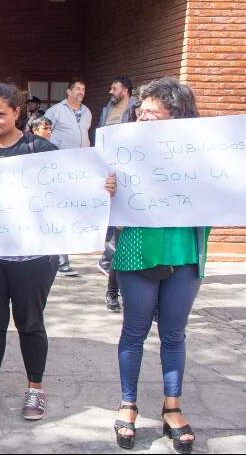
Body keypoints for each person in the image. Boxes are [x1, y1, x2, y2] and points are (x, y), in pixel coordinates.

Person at [0, 83, 116, 423]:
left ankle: (35, 388)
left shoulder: (41, 149)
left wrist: (101, 188)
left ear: (17, 112)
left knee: (30, 323)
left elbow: (71, 189)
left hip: (33, 259)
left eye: (1, 113)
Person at [111, 77, 205, 455]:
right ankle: (128, 403)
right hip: (138, 249)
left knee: (174, 334)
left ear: (176, 115)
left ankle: (172, 407)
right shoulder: (123, 148)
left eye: (152, 111)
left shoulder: (202, 150)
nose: (142, 115)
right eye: (141, 109)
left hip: (184, 250)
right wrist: (107, 187)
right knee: (133, 331)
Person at [97, 75, 139, 313]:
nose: (110, 91)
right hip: (117, 176)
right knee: (120, 238)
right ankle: (113, 291)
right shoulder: (107, 110)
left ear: (126, 90)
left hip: (141, 182)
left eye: (115, 87)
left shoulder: (134, 108)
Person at [43, 80, 92, 276]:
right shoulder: (56, 110)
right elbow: (43, 131)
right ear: (68, 91)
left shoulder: (87, 112)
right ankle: (61, 258)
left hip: (79, 167)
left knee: (72, 209)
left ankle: (62, 252)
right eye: (77, 89)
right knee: (59, 209)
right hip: (59, 165)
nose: (81, 92)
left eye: (83, 89)